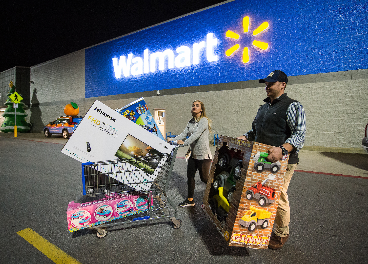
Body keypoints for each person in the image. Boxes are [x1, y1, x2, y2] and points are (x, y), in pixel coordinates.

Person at [238, 70, 306, 250]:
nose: (267, 86)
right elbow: (255, 131)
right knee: (262, 194)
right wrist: (245, 137)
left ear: (282, 85)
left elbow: (299, 135)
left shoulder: (293, 106)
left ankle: (281, 233)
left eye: (271, 83)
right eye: (266, 83)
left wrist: (283, 149)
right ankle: (261, 227)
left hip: (284, 161)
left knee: (279, 196)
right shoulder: (263, 107)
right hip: (263, 159)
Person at [169, 100, 212, 207]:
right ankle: (190, 200)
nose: (194, 107)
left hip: (203, 156)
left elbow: (196, 135)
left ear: (201, 109)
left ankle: (214, 195)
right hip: (193, 154)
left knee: (204, 179)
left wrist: (184, 143)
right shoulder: (191, 122)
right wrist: (173, 140)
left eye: (197, 106)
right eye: (193, 105)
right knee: (190, 177)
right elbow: (184, 134)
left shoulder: (204, 121)